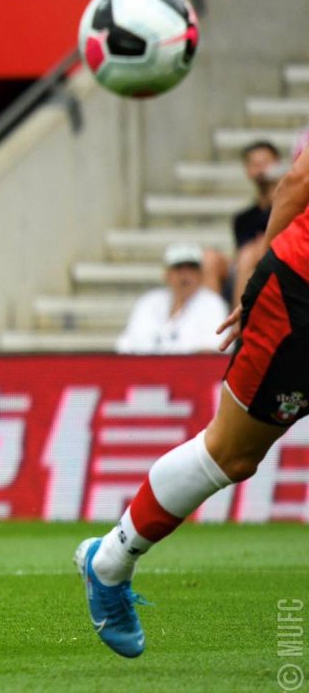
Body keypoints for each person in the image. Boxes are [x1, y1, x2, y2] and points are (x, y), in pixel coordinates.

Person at [75, 140, 309, 658]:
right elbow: (297, 183)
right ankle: (110, 562)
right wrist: (260, 282)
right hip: (301, 291)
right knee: (232, 453)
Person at [115, 243, 228, 355]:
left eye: (191, 269)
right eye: (178, 269)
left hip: (191, 366)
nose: (185, 275)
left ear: (200, 275)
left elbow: (211, 350)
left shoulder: (212, 304)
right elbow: (128, 345)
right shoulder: (149, 302)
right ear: (167, 274)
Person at [231, 140, 282, 307]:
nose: (261, 170)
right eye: (255, 164)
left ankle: (239, 317)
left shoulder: (291, 207)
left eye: (265, 163)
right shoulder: (243, 219)